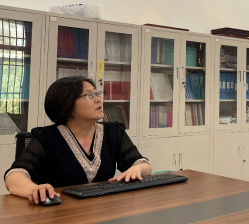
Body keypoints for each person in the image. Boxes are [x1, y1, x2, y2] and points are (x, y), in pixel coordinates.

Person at [4, 76, 152, 205]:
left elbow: (144, 165)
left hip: (103, 210)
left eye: (97, 94)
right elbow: (14, 176)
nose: (98, 99)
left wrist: (137, 169)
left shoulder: (113, 132)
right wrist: (35, 189)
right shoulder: (46, 137)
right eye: (89, 95)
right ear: (67, 105)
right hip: (59, 213)